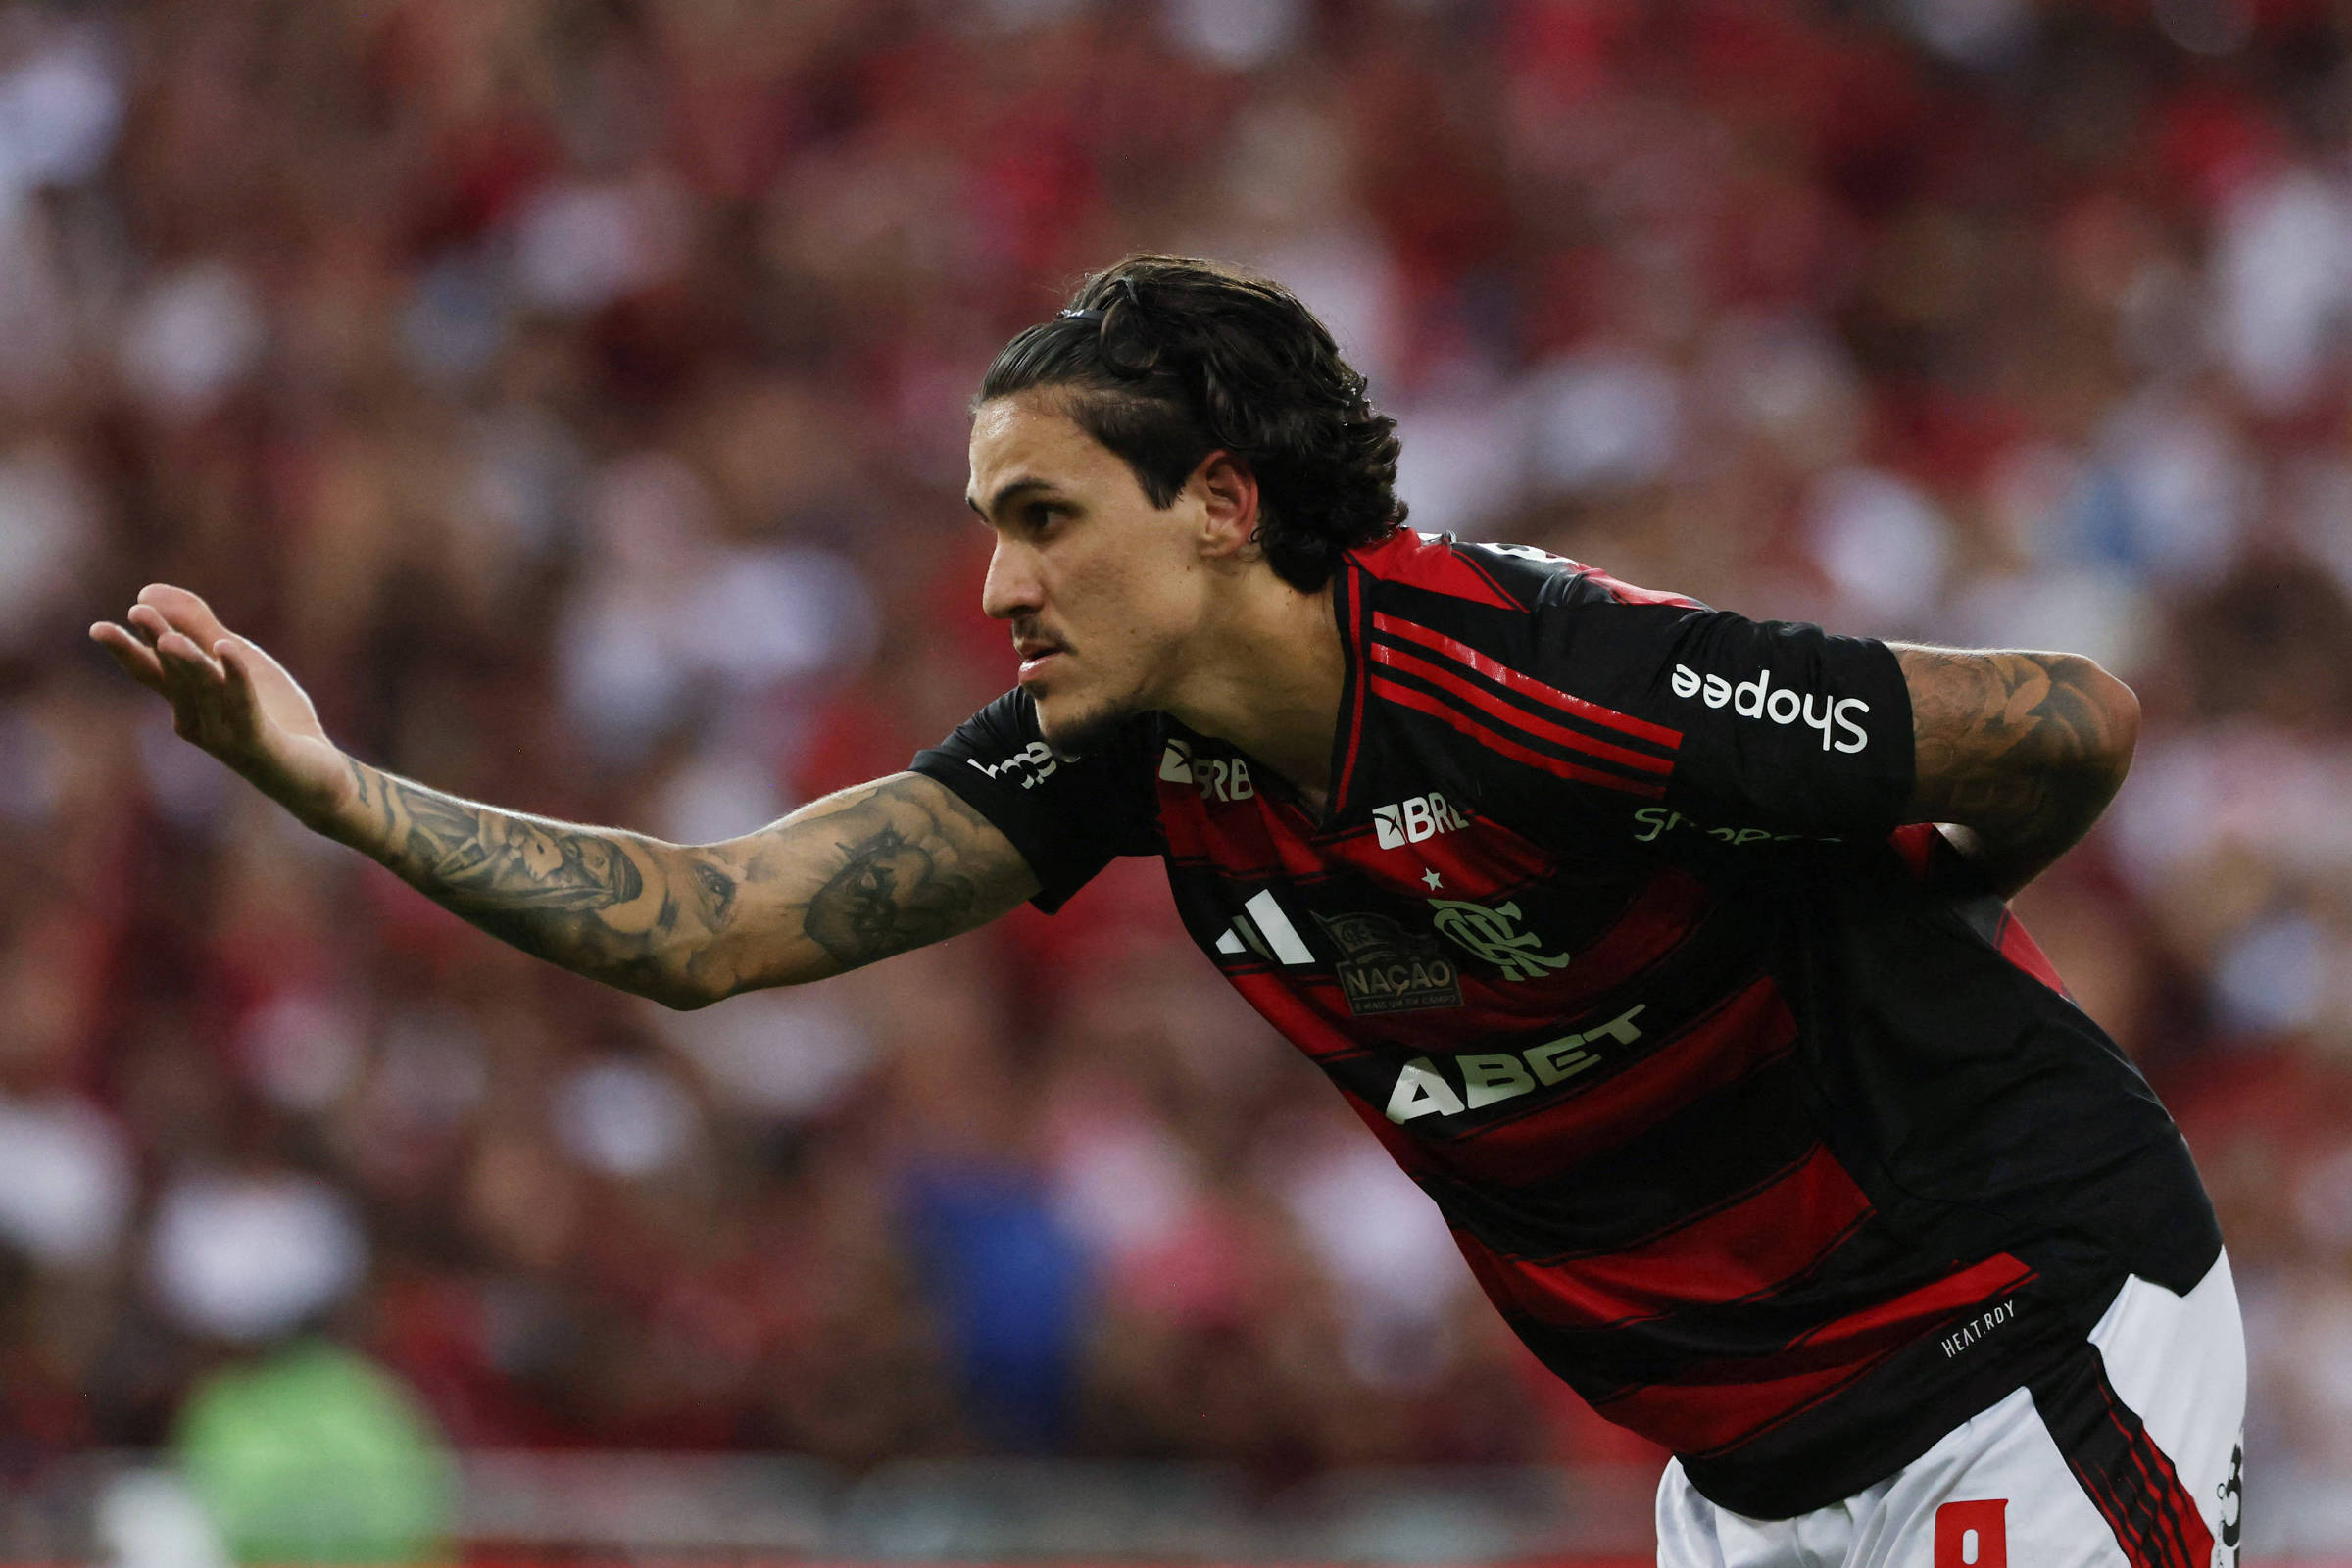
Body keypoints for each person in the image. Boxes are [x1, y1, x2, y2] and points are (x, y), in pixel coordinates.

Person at [93, 255, 2242, 1568]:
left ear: (1220, 503)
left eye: (1043, 517)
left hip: (2013, 1336)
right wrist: (336, 788)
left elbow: (2069, 717)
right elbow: (720, 921)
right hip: (1744, 1461)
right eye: (988, 523)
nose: (998, 582)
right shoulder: (1131, 750)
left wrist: (1918, 921)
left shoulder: (1542, 685)